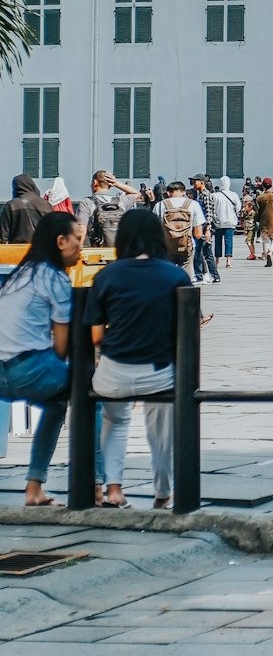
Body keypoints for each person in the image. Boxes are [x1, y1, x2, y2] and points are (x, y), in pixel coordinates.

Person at [85, 207, 190, 509]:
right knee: (160, 432)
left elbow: (95, 337)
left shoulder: (106, 276)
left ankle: (114, 489)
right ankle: (163, 492)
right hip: (159, 370)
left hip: (114, 370)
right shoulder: (175, 275)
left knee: (114, 422)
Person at [0, 211, 96, 504]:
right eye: (77, 241)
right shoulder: (55, 279)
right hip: (30, 370)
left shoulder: (19, 275)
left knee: (56, 405)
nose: (81, 247)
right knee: (93, 396)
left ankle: (35, 488)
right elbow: (63, 346)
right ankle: (97, 486)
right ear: (60, 242)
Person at [153, 181, 205, 276]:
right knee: (187, 275)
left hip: (166, 247)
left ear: (168, 193)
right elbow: (198, 235)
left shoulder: (159, 205)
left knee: (166, 274)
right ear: (184, 192)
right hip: (187, 245)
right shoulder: (193, 204)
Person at [80, 171, 139, 249]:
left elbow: (81, 229)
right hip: (117, 252)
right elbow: (137, 194)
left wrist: (78, 248)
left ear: (95, 182)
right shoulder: (120, 202)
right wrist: (116, 183)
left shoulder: (86, 202)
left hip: (95, 253)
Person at [0, 173, 52, 243]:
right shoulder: (46, 205)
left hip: (17, 251)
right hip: (40, 250)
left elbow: (3, 236)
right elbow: (52, 232)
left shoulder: (10, 205)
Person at [190, 176, 219, 283]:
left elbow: (209, 213)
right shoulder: (201, 195)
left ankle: (199, 276)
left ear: (202, 182)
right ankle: (215, 276)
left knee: (198, 253)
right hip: (201, 227)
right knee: (207, 253)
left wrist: (208, 229)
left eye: (195, 181)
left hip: (203, 228)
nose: (193, 183)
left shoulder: (205, 195)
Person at [210, 176, 240, 270]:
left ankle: (217, 260)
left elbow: (212, 207)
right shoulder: (234, 195)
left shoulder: (215, 195)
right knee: (229, 241)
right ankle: (228, 260)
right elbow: (238, 207)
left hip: (219, 222)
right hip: (230, 221)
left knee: (217, 241)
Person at [255, 179, 273, 267]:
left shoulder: (259, 198)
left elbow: (257, 211)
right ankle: (270, 252)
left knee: (265, 240)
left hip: (263, 221)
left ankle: (267, 257)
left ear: (263, 186)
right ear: (271, 186)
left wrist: (258, 219)